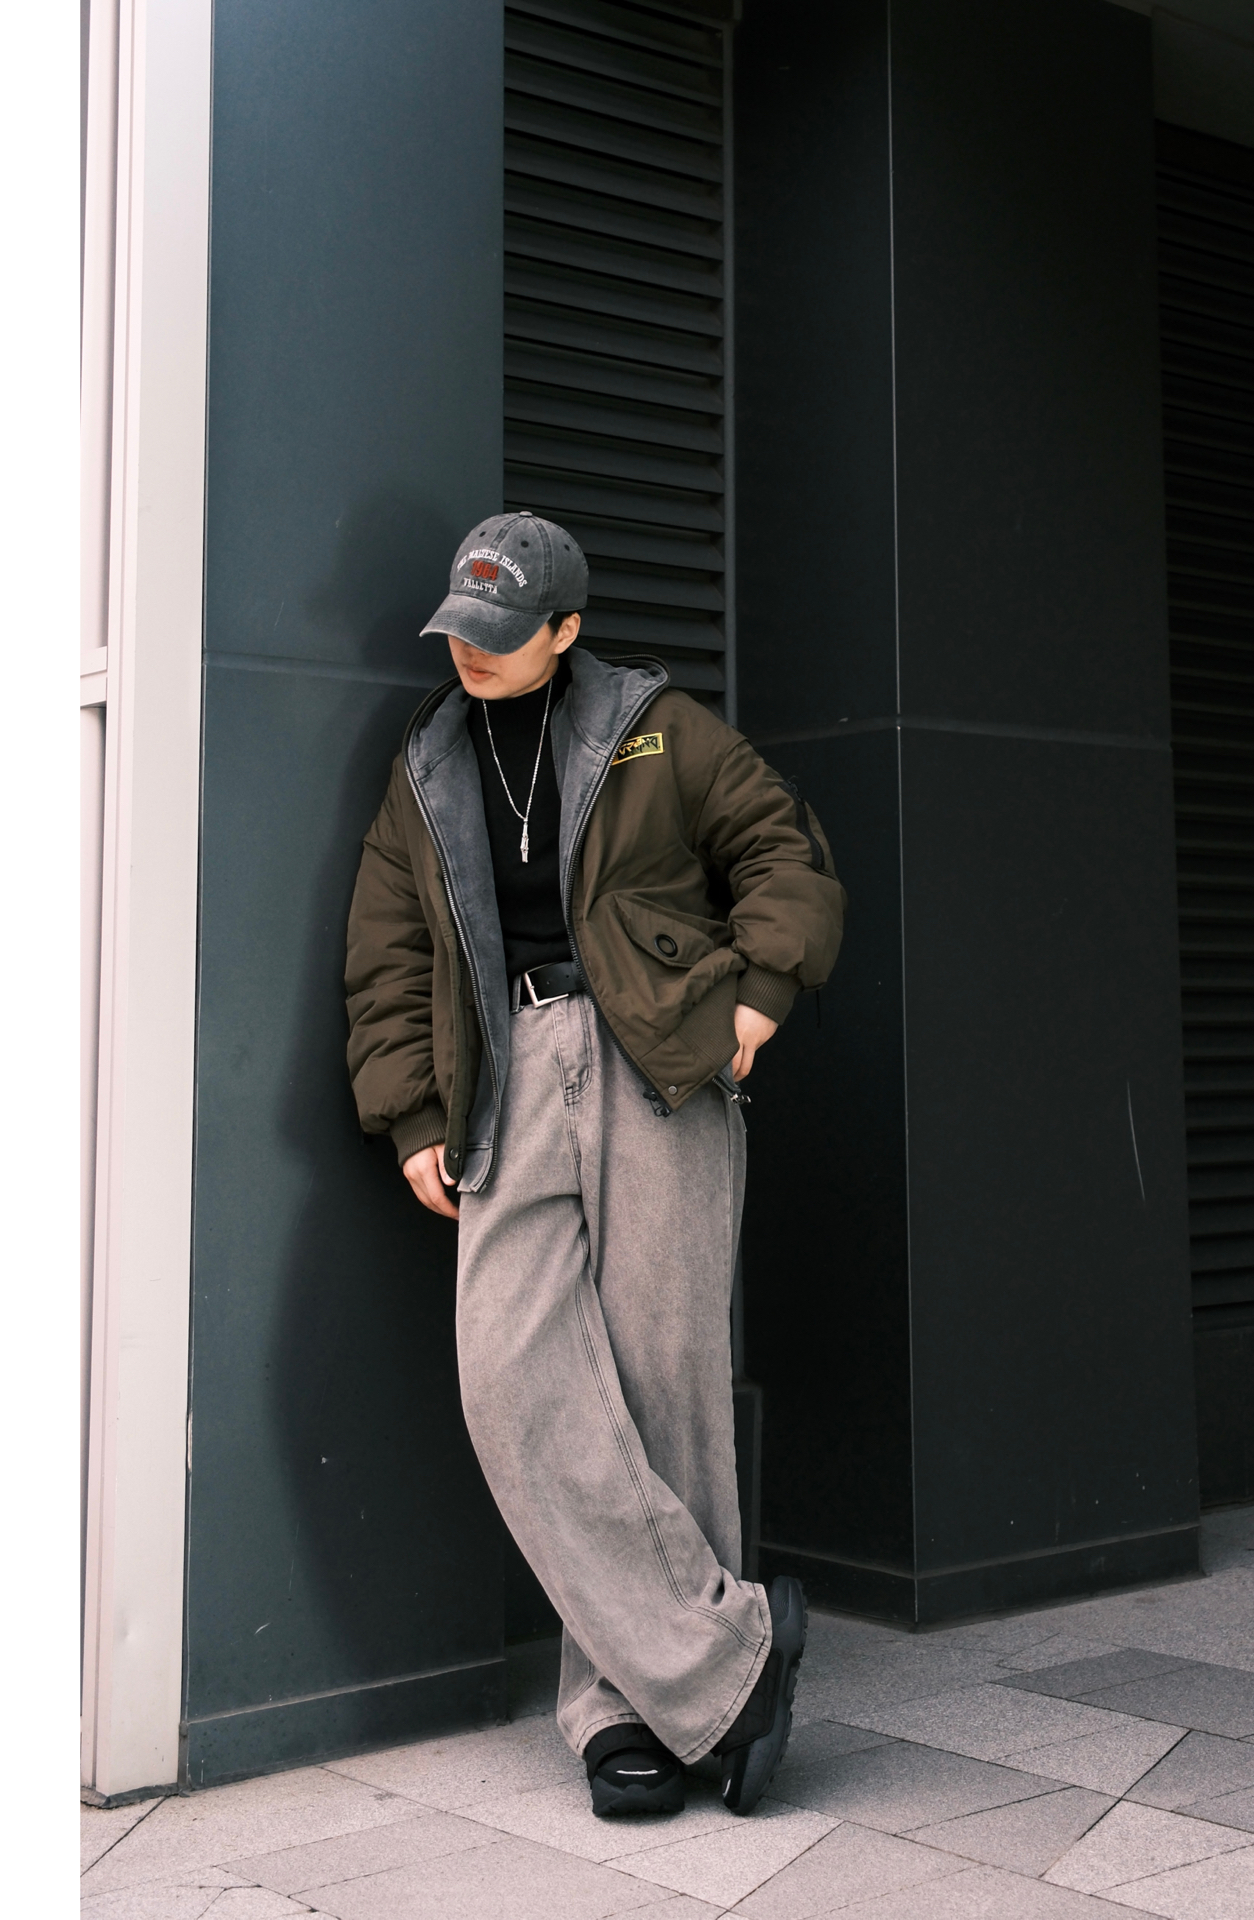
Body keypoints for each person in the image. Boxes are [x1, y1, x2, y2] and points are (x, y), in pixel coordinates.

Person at [344, 512, 845, 1817]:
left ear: (566, 630)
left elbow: (781, 849)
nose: (472, 654)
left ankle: (631, 1711)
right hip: (504, 1071)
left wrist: (760, 996)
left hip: (653, 1061)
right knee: (509, 1381)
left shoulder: (656, 730)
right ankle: (731, 1668)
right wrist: (412, 1113)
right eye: (461, 630)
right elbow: (390, 952)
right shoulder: (427, 763)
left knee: (663, 1384)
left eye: (503, 636)